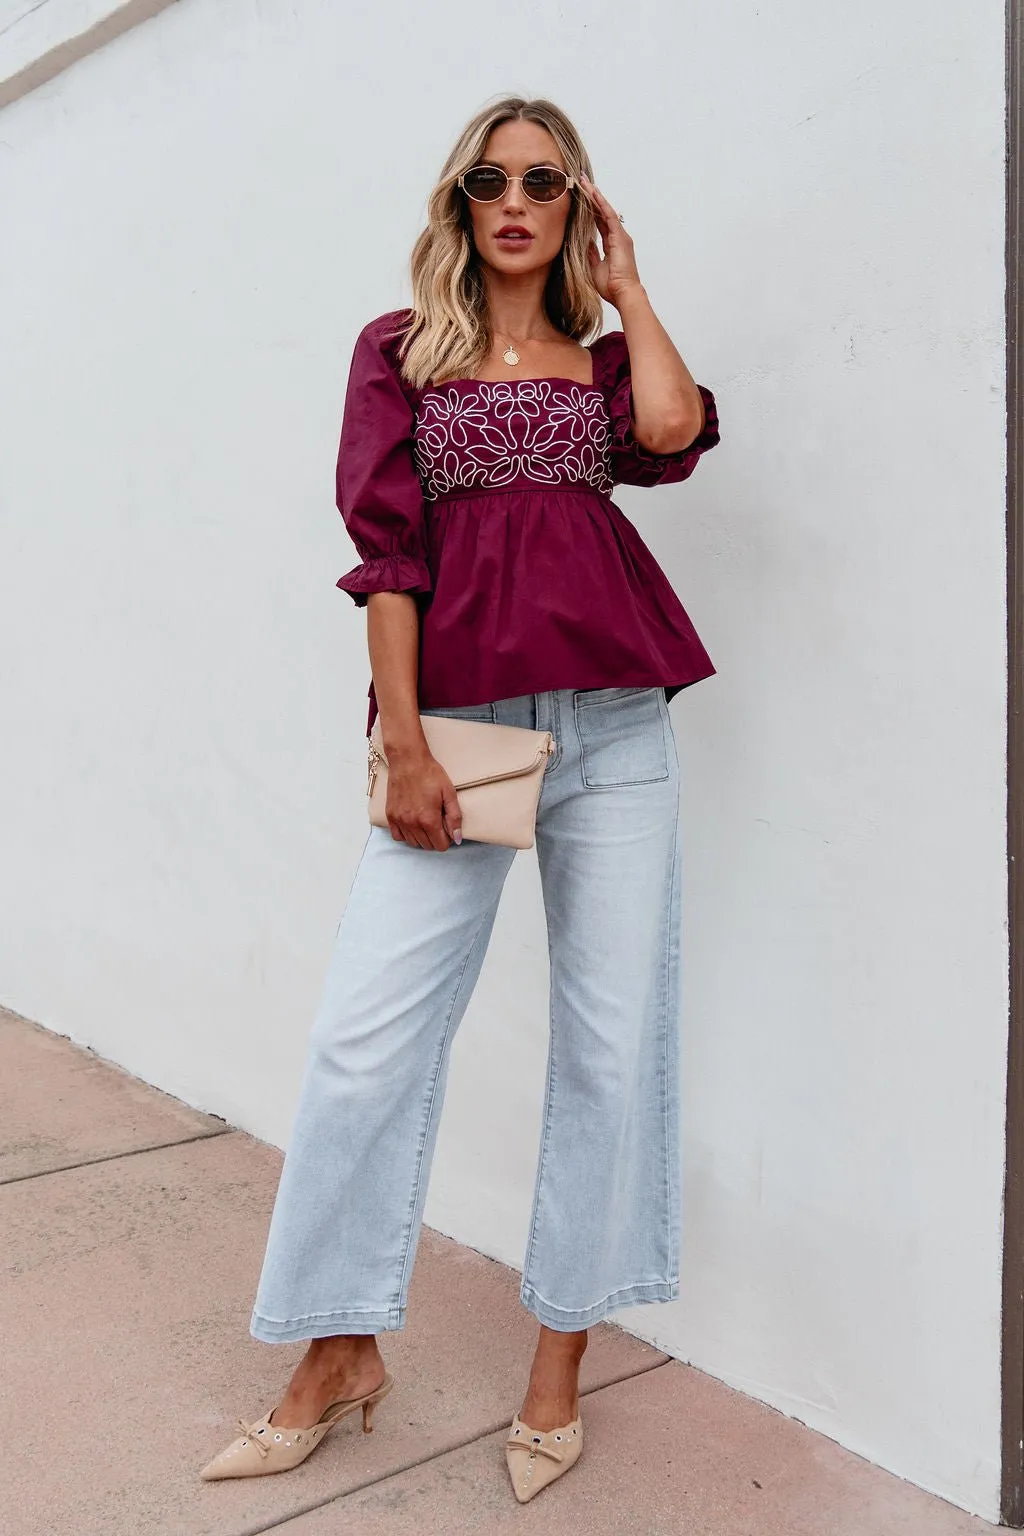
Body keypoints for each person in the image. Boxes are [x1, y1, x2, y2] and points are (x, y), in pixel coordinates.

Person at [201, 93, 720, 1504]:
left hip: (614, 725)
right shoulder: (400, 354)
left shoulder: (604, 364)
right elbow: (386, 555)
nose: (515, 198)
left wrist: (633, 285)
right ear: (457, 200)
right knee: (366, 1042)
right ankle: (336, 1348)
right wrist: (409, 743)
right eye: (490, 176)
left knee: (611, 1047)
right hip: (464, 731)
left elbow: (670, 432)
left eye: (545, 182)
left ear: (575, 209)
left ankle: (558, 1363)